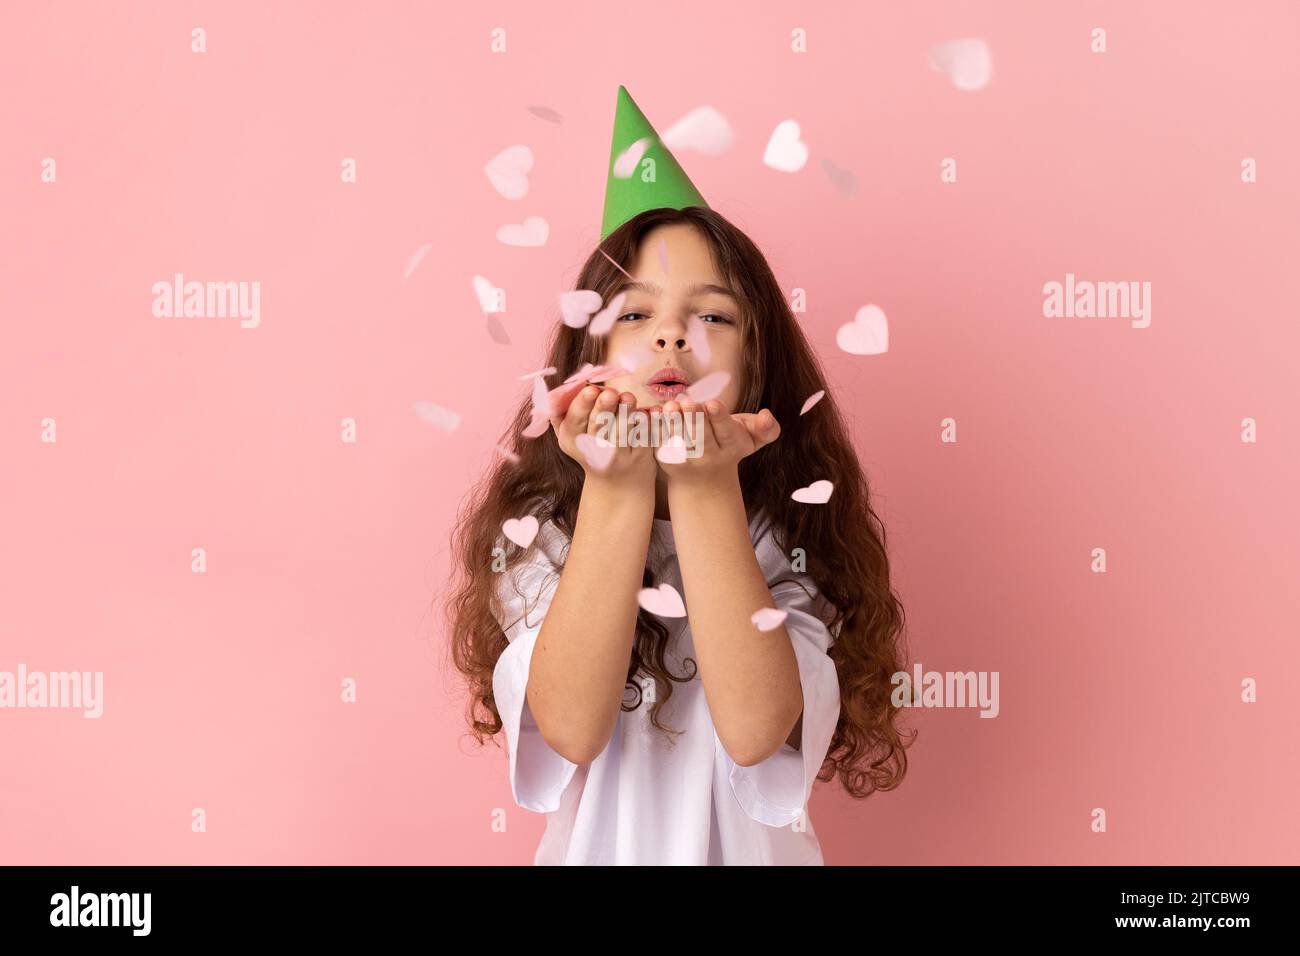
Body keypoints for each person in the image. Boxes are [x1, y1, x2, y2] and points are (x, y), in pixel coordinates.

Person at [447, 85, 912, 864]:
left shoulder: (794, 534)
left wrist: (703, 484)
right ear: (583, 364)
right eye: (633, 314)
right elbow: (569, 723)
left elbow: (760, 731)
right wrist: (617, 482)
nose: (671, 335)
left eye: (715, 317)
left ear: (758, 370)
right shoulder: (540, 535)